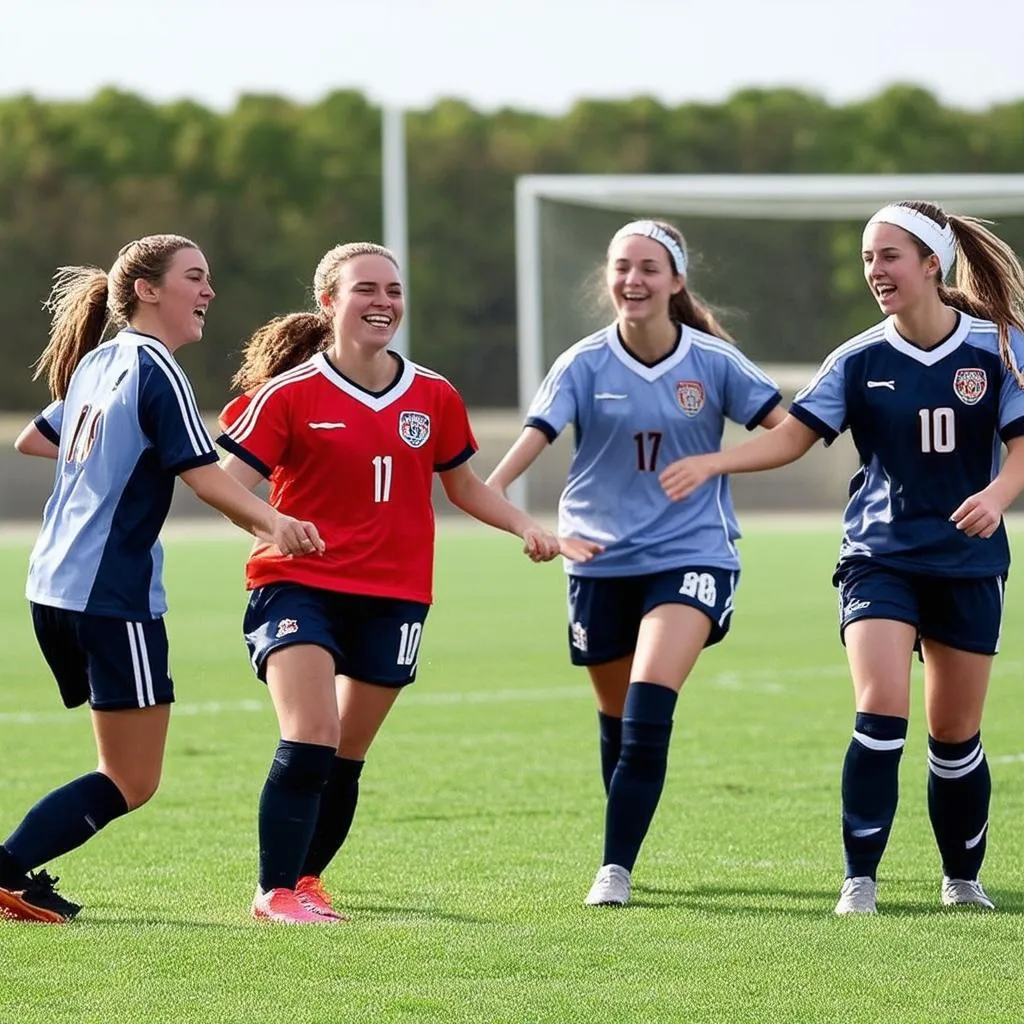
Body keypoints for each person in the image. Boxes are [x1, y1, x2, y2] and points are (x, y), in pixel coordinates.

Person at [217, 241, 601, 925]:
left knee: (345, 756)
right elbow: (223, 483)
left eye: (393, 290)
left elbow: (463, 487)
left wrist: (526, 527)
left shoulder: (433, 394)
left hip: (396, 595)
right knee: (310, 732)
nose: (384, 302)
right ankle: (272, 891)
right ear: (329, 302)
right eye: (366, 289)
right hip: (296, 584)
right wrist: (274, 522)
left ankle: (305, 881)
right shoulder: (289, 394)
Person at [659, 200, 1024, 914]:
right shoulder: (858, 359)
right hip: (878, 557)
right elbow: (793, 436)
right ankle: (860, 878)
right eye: (867, 259)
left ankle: (962, 878)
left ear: (931, 264)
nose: (875, 271)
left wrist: (1000, 492)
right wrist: (714, 462)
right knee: (881, 705)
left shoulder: (1000, 345)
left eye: (889, 256)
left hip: (969, 560)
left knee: (954, 734)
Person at [0, 235, 323, 924]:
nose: (208, 292)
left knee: (119, 767)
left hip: (53, 585)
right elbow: (205, 476)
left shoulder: (98, 363)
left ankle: (16, 879)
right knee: (131, 779)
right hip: (110, 593)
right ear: (148, 290)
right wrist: (276, 524)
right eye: (195, 278)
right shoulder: (156, 368)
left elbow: (35, 439)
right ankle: (2, 872)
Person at [486, 219, 785, 907]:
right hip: (597, 558)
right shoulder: (583, 362)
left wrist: (716, 460)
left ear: (676, 281)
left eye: (649, 268)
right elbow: (520, 456)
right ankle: (624, 845)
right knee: (618, 719)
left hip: (693, 554)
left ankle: (613, 869)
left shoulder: (712, 362)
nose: (633, 280)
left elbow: (789, 433)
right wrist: (519, 518)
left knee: (651, 703)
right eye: (622, 267)